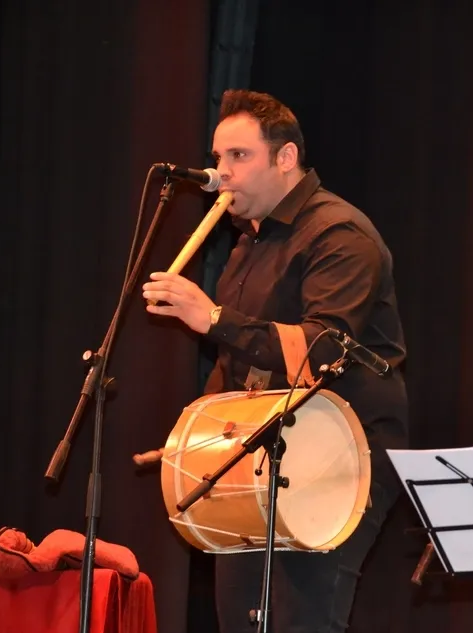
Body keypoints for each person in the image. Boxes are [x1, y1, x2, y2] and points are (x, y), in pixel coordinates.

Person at [142, 89, 409, 633]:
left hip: (342, 456)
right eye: (219, 158)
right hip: (267, 455)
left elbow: (323, 352)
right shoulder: (247, 246)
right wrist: (195, 442)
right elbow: (242, 371)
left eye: (239, 156)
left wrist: (214, 317)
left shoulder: (340, 234)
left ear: (285, 158)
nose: (221, 173)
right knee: (241, 620)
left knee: (299, 621)